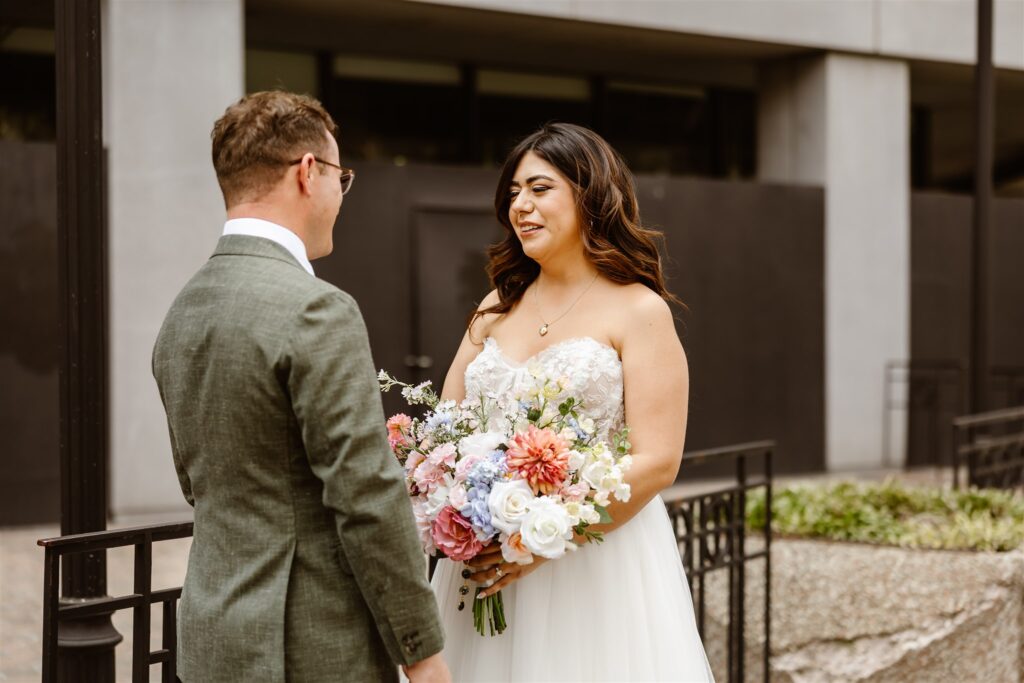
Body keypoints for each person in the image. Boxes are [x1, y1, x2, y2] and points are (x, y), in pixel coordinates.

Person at [152, 91, 449, 683]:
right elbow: (365, 494)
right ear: (309, 173)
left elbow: (197, 482)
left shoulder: (183, 310)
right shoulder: (318, 309)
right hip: (309, 647)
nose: (342, 195)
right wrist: (423, 655)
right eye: (343, 177)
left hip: (211, 638)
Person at [433, 122, 714, 681]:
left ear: (589, 195)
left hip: (595, 565)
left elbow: (658, 460)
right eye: (513, 193)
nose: (521, 206)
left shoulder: (639, 311)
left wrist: (543, 536)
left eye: (540, 189)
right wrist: (465, 504)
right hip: (485, 564)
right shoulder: (496, 305)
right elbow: (447, 428)